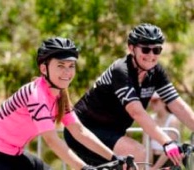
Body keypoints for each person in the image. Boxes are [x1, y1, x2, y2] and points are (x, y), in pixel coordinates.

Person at [0, 37, 122, 170]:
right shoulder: (36, 95)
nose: (67, 73)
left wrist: (114, 158)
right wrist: (83, 167)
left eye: (71, 66)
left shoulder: (60, 95)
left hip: (12, 155)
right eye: (60, 66)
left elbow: (79, 131)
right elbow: (52, 141)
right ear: (43, 68)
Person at [64, 23, 194, 168]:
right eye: (145, 49)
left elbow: (177, 105)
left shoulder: (156, 72)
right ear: (131, 48)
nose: (151, 55)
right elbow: (136, 112)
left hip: (111, 132)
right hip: (83, 130)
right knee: (136, 152)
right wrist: (167, 142)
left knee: (130, 161)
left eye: (156, 50)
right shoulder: (121, 70)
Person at [146, 93, 180, 170]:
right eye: (150, 101)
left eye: (155, 101)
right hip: (152, 160)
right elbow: (147, 145)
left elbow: (171, 148)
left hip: (169, 160)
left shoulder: (173, 120)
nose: (152, 104)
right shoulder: (149, 119)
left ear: (164, 101)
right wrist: (148, 165)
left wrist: (155, 168)